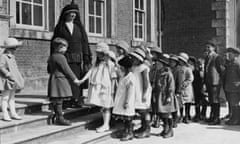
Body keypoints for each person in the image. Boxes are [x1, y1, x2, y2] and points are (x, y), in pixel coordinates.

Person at [51, 1, 91, 107]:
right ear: (66, 14)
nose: (73, 15)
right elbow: (54, 43)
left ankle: (76, 99)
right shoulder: (60, 27)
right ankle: (66, 100)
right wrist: (52, 58)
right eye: (71, 13)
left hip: (77, 57)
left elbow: (85, 43)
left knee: (76, 77)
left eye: (75, 13)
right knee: (66, 78)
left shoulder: (79, 28)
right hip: (65, 57)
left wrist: (87, 57)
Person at [79, 42, 116, 133]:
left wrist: (113, 90)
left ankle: (106, 124)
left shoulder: (110, 64)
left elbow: (113, 77)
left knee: (106, 106)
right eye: (97, 53)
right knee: (103, 106)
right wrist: (83, 80)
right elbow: (90, 72)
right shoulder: (97, 63)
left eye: (100, 53)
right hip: (98, 86)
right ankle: (105, 123)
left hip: (106, 87)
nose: (98, 55)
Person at [47, 37, 81, 126]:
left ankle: (57, 115)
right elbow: (67, 69)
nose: (66, 49)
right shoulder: (61, 57)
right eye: (65, 47)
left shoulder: (52, 56)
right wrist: (75, 79)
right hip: (59, 79)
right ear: (60, 47)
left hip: (54, 78)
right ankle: (60, 118)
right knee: (59, 99)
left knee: (56, 99)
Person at [0, 37, 25, 121]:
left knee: (12, 97)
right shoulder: (3, 56)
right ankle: (5, 114)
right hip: (7, 80)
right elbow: (1, 66)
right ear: (9, 48)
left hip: (13, 79)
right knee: (5, 97)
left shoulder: (12, 57)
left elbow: (15, 68)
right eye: (14, 48)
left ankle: (13, 113)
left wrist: (18, 77)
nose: (15, 50)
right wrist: (8, 74)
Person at [112, 55, 136, 141]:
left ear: (126, 68)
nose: (120, 68)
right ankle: (126, 131)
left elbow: (130, 91)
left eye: (122, 67)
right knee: (125, 117)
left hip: (127, 100)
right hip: (122, 99)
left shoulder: (130, 77)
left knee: (128, 118)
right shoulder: (123, 76)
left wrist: (126, 101)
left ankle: (129, 133)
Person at [130, 47, 152, 138]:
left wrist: (144, 94)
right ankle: (143, 127)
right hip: (136, 91)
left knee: (144, 111)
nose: (133, 60)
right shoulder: (135, 67)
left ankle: (147, 129)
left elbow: (146, 82)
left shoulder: (143, 68)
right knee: (139, 110)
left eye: (135, 59)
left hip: (142, 91)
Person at [152, 54, 176, 138]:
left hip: (166, 97)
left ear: (163, 65)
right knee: (162, 114)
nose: (157, 65)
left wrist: (169, 96)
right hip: (159, 97)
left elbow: (171, 86)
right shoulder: (159, 73)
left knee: (167, 114)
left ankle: (170, 130)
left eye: (159, 64)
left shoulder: (168, 74)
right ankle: (165, 128)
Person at [204, 42, 224, 125]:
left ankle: (216, 118)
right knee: (211, 100)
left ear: (213, 48)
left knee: (215, 100)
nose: (207, 49)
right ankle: (212, 116)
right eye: (206, 47)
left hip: (215, 82)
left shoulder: (217, 57)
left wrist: (219, 79)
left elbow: (221, 69)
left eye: (209, 47)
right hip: (209, 81)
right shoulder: (207, 57)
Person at [176, 52, 194, 124]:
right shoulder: (178, 68)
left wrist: (185, 83)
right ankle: (181, 115)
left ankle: (186, 116)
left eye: (181, 60)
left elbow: (190, 78)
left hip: (187, 88)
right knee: (180, 102)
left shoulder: (188, 69)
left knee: (187, 102)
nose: (179, 61)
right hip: (180, 88)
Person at [223, 47, 240, 125]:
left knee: (235, 104)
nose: (228, 54)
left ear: (236, 54)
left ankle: (236, 120)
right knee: (231, 103)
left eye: (231, 53)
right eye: (228, 53)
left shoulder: (237, 64)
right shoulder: (229, 63)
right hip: (229, 87)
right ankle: (233, 117)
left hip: (235, 88)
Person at [149, 47, 162, 128]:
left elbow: (156, 76)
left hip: (157, 86)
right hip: (152, 85)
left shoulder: (158, 64)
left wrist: (153, 84)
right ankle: (153, 118)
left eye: (153, 54)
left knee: (156, 103)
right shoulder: (153, 64)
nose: (152, 55)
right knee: (153, 103)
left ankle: (157, 119)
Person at [169, 54, 180, 127]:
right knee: (171, 106)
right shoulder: (169, 69)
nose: (171, 63)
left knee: (175, 106)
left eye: (173, 62)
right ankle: (172, 119)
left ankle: (175, 120)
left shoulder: (178, 70)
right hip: (170, 90)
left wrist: (178, 91)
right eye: (170, 62)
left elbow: (179, 81)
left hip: (175, 90)